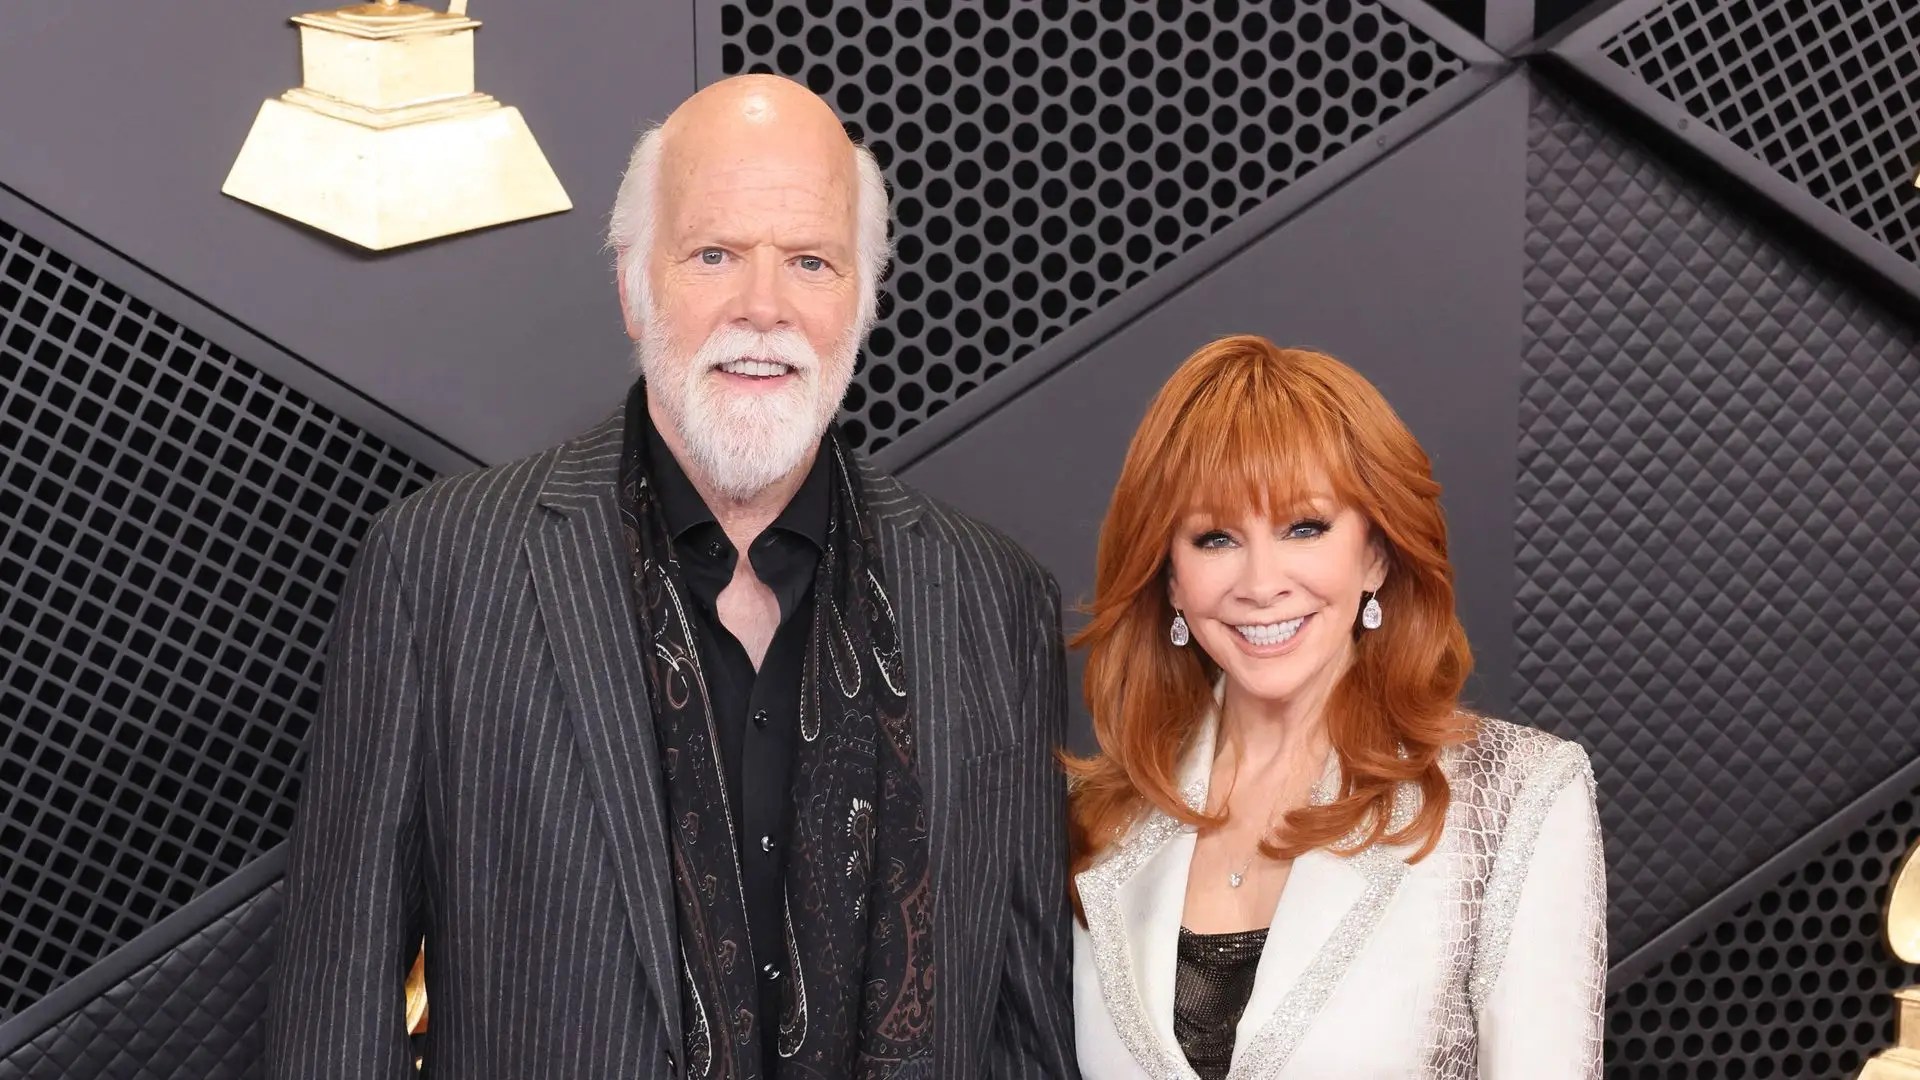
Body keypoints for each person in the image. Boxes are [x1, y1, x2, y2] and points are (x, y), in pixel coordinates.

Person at [265, 74, 1078, 1079]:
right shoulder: (438, 572)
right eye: (714, 255)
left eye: (811, 262)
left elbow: (1028, 1034)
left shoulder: (993, 600)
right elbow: (335, 1014)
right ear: (632, 286)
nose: (764, 308)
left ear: (861, 299)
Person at [1065, 336, 1604, 1078]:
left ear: (1375, 554)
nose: (1262, 583)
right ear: (1171, 580)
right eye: (1215, 538)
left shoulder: (1516, 795)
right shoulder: (1097, 820)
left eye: (1304, 528)